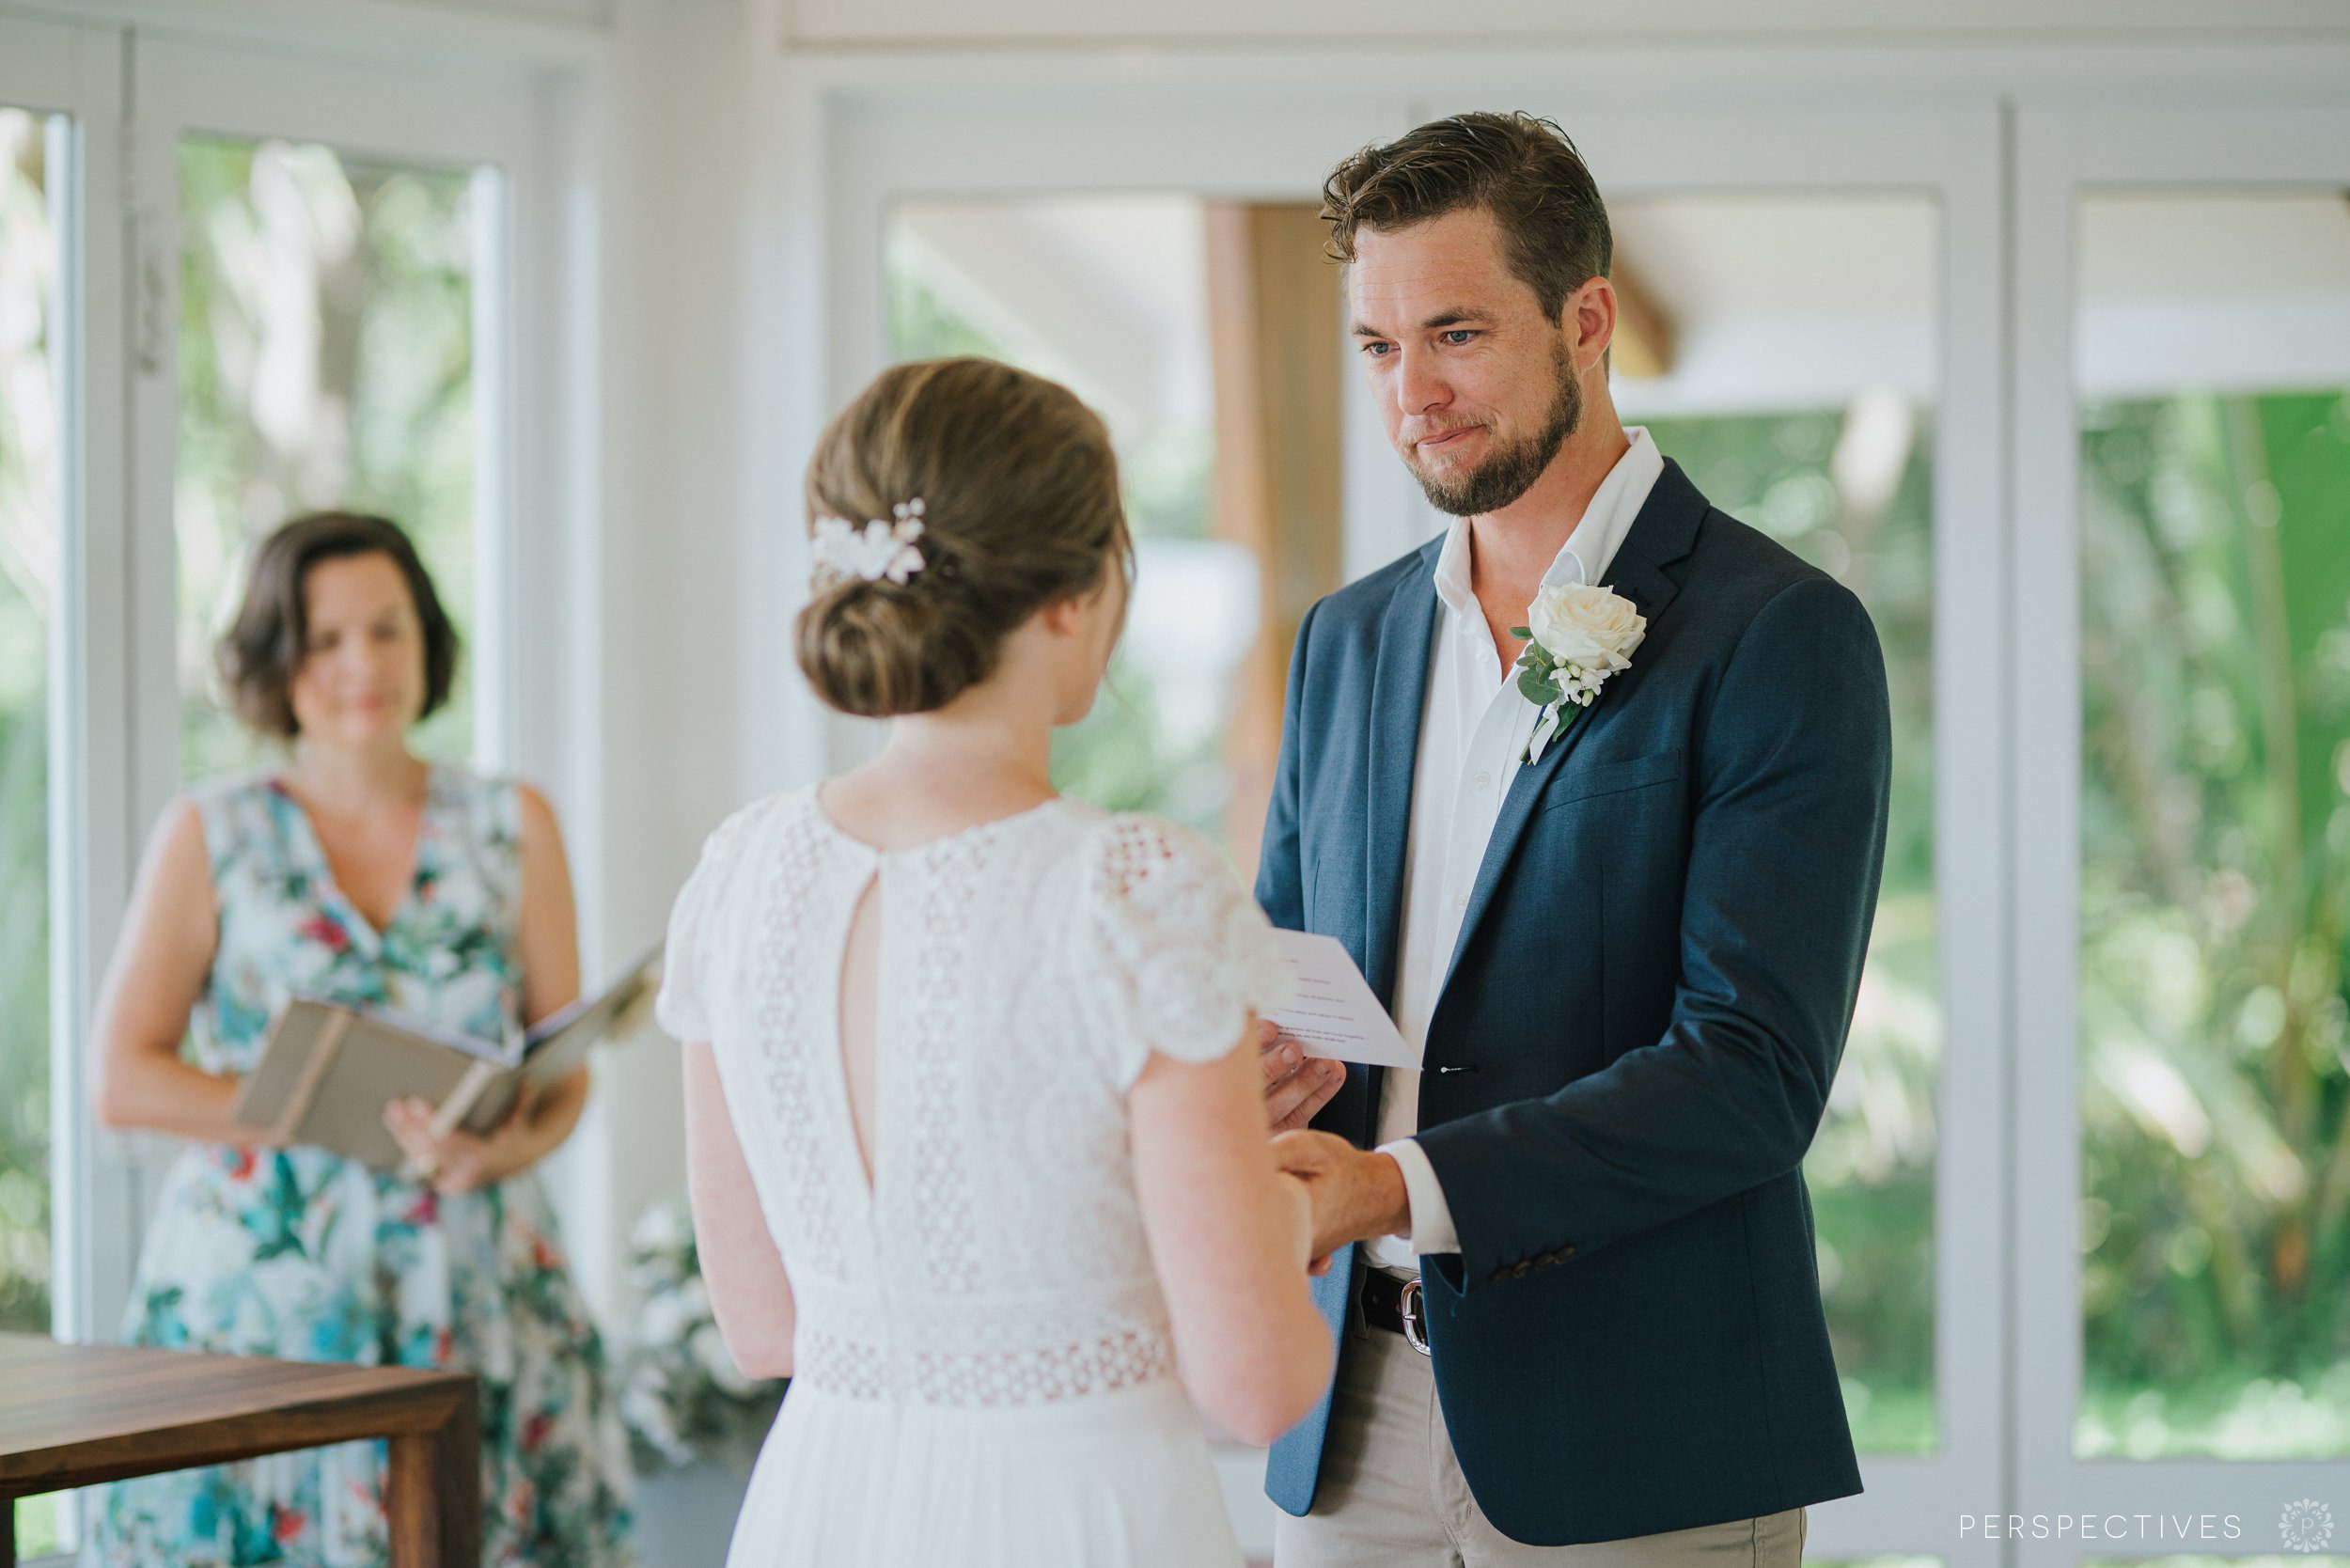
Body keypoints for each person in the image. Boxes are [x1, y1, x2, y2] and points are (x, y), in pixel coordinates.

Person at [1251, 112, 1890, 1564]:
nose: (1411, 393)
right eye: (1377, 346)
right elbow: (1290, 974)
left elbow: (1751, 1072)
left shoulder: (1781, 636)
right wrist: (1253, 1072)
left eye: (1456, 335)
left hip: (1639, 1429)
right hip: (1345, 1422)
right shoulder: (1345, 642)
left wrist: (1394, 1187)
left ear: (1587, 320)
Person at [659, 356, 1333, 1568]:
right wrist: (1276, 1207)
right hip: (1079, 1516)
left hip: (821, 1507)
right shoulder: (1132, 892)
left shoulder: (737, 875)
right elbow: (1257, 1384)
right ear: (1073, 596)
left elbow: (761, 1326)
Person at [88, 511, 634, 1567]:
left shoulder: (512, 823)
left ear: (428, 639)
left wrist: (501, 1150)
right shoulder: (213, 831)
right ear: (275, 659)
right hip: (261, 1310)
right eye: (326, 639)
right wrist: (313, 1108)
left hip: (476, 1289)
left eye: (388, 629)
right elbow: (122, 1079)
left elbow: (563, 1071)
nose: (363, 664)